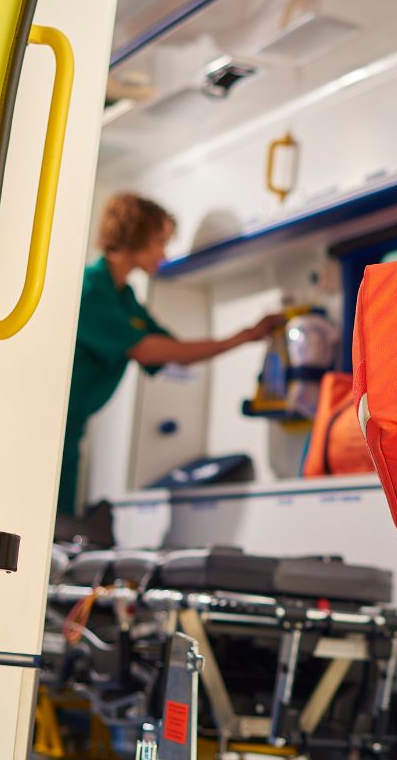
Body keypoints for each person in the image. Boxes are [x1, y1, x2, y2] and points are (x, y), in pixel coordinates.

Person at [58, 193, 283, 518]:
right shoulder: (91, 290)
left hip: (73, 429)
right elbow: (148, 350)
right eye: (160, 242)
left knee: (58, 522)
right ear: (135, 235)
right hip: (54, 425)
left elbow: (173, 351)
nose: (164, 254)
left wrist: (245, 337)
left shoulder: (124, 297)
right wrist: (243, 336)